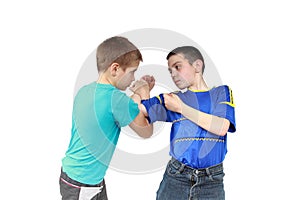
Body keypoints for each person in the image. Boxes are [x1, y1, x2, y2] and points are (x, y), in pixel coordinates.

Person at [59, 36, 154, 200]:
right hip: (84, 184)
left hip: (74, 175)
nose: (133, 78)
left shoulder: (85, 91)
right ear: (115, 69)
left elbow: (118, 108)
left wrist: (136, 95)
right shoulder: (117, 100)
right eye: (132, 72)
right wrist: (144, 92)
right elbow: (146, 131)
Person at [139, 46, 236, 200]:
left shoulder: (221, 93)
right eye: (170, 71)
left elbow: (221, 127)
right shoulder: (173, 98)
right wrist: (144, 90)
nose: (173, 74)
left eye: (177, 67)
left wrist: (180, 108)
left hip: (211, 182)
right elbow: (139, 109)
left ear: (197, 65)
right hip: (176, 177)